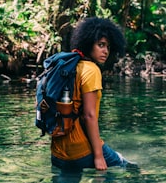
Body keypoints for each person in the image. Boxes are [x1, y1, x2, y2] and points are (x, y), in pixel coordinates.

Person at [50, 17, 136, 172]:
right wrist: (98, 156)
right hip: (80, 150)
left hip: (58, 153)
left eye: (108, 47)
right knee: (129, 169)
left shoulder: (70, 67)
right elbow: (89, 116)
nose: (105, 51)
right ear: (88, 43)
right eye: (101, 45)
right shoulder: (91, 70)